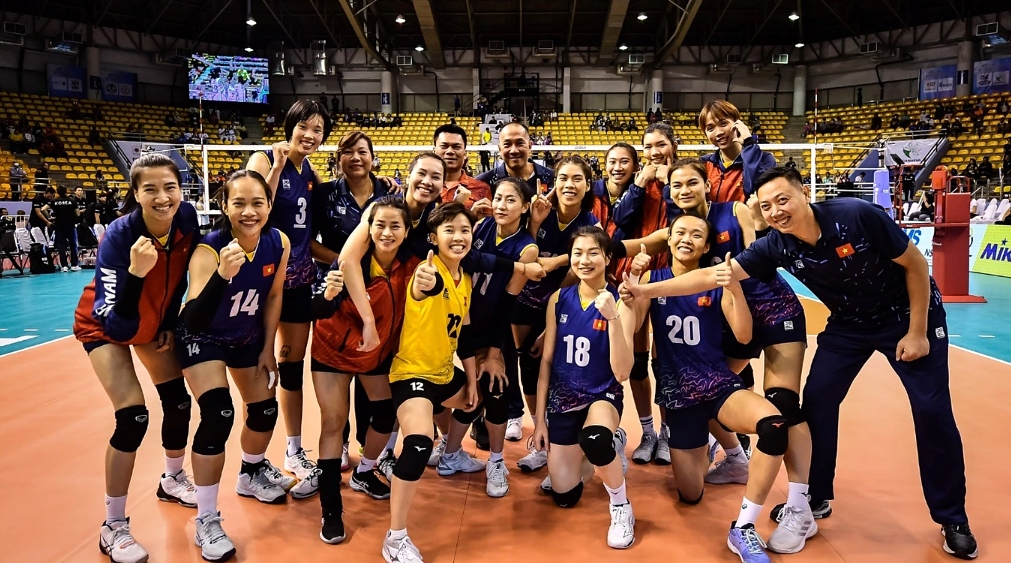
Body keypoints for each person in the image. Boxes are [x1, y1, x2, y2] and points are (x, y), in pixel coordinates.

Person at [622, 166, 978, 560]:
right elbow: (712, 277)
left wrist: (916, 331)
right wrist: (644, 290)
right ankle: (814, 499)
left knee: (932, 412)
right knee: (817, 402)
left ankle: (953, 519)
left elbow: (916, 265)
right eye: (767, 206)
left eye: (783, 200)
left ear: (804, 193)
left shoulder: (855, 216)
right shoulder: (777, 245)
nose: (776, 211)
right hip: (849, 325)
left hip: (907, 316)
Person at [624, 212, 797, 561]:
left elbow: (745, 336)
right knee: (690, 494)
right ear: (668, 240)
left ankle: (744, 527)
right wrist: (633, 282)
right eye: (680, 232)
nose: (687, 238)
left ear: (706, 246)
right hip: (678, 398)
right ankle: (718, 450)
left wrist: (734, 289)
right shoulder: (652, 279)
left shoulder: (716, 281)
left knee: (775, 424)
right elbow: (635, 327)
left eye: (697, 234)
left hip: (719, 385)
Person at [72, 154, 199, 563]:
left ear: (182, 190)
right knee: (133, 416)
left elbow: (180, 279)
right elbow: (119, 326)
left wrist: (171, 322)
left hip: (152, 321)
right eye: (150, 189)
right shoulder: (119, 236)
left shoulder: (188, 219)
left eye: (169, 187)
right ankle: (113, 526)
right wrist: (138, 273)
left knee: (179, 403)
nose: (162, 197)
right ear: (136, 193)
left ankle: (173, 479)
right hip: (107, 324)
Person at [174, 170, 289, 561]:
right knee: (219, 415)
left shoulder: (278, 242)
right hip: (203, 337)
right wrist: (224, 274)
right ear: (224, 206)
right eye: (238, 203)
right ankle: (206, 518)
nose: (249, 211)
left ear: (269, 205)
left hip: (245, 335)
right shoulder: (209, 250)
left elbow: (274, 297)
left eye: (257, 202)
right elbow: (194, 319)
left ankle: (251, 472)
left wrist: (267, 348)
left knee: (265, 410)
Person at [380, 202, 481, 563]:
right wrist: (426, 283)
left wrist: (470, 381)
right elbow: (424, 289)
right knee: (419, 443)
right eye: (449, 230)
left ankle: (451, 454)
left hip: (442, 372)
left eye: (465, 230)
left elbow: (466, 337)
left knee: (476, 401)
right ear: (434, 238)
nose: (458, 236)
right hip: (413, 374)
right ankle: (395, 537)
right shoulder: (428, 272)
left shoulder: (464, 279)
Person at [311, 197, 416, 543]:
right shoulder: (350, 265)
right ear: (367, 228)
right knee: (333, 422)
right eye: (379, 225)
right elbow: (343, 265)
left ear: (406, 230)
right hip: (334, 350)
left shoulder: (411, 264)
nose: (386, 232)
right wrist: (368, 323)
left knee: (386, 412)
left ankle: (365, 470)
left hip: (376, 354)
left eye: (395, 225)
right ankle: (331, 510)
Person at [431, 177, 539, 496]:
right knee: (466, 388)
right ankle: (450, 453)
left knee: (493, 388)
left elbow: (507, 302)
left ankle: (495, 460)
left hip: (493, 326)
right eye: (499, 198)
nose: (502, 205)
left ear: (524, 207)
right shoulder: (482, 227)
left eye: (511, 200)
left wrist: (494, 351)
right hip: (460, 320)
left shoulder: (527, 248)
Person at [530, 226, 636, 549]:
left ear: (606, 257)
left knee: (594, 437)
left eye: (593, 253)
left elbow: (622, 373)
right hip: (563, 401)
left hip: (601, 394)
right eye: (578, 253)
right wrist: (539, 420)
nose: (584, 260)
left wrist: (613, 320)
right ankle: (606, 450)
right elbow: (546, 361)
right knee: (565, 496)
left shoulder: (623, 301)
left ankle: (620, 505)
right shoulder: (558, 300)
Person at [246, 100, 332, 497]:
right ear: (290, 124)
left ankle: (294, 449)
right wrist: (277, 168)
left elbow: (306, 239)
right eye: (304, 126)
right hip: (261, 281)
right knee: (254, 367)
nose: (310, 135)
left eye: (317, 129)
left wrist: (346, 260)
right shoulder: (264, 158)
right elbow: (249, 213)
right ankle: (251, 463)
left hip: (297, 280)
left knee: (289, 365)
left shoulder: (310, 173)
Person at [511, 156, 600, 473]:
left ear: (587, 185)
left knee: (562, 372)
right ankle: (540, 436)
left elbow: (579, 274)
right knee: (529, 368)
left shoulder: (591, 224)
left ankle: (578, 439)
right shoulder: (538, 213)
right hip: (525, 303)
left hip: (564, 308)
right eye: (563, 178)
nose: (569, 185)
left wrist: (553, 323)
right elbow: (525, 253)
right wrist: (534, 224)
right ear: (554, 182)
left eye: (577, 179)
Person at [698, 100, 776, 204]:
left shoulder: (764, 159)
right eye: (710, 128)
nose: (719, 132)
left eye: (723, 124)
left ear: (738, 123)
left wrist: (749, 145)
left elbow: (755, 191)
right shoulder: (704, 164)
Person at [476, 122, 554, 191]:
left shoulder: (551, 178)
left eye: (520, 143)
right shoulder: (484, 183)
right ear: (500, 149)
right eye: (507, 144)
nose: (514, 150)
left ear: (530, 146)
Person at [434, 124, 492, 210]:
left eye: (456, 147)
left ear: (465, 154)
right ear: (434, 151)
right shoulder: (426, 187)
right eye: (444, 146)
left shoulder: (482, 189)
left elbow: (486, 222)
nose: (450, 151)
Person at [50, 185, 81, 271]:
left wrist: (50, 217)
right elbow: (78, 214)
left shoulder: (54, 201)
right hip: (70, 225)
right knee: (73, 245)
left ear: (57, 192)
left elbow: (43, 209)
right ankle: (74, 265)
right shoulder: (72, 201)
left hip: (59, 226)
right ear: (66, 191)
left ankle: (64, 266)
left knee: (61, 246)